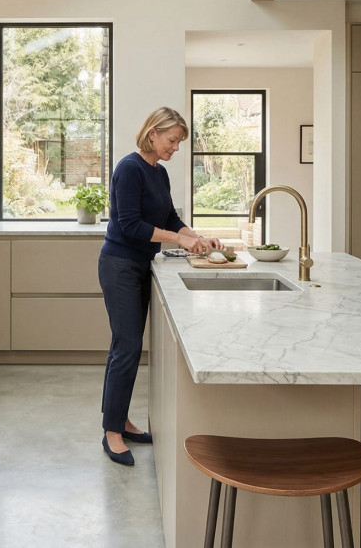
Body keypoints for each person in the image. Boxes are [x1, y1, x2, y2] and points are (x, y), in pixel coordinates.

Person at [98, 106, 223, 466]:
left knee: (128, 347)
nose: (175, 147)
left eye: (179, 142)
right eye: (172, 140)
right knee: (126, 347)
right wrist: (179, 240)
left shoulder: (159, 172)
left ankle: (120, 420)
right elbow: (130, 225)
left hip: (140, 265)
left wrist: (196, 237)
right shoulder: (129, 168)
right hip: (120, 265)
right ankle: (111, 432)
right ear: (152, 133)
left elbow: (169, 217)